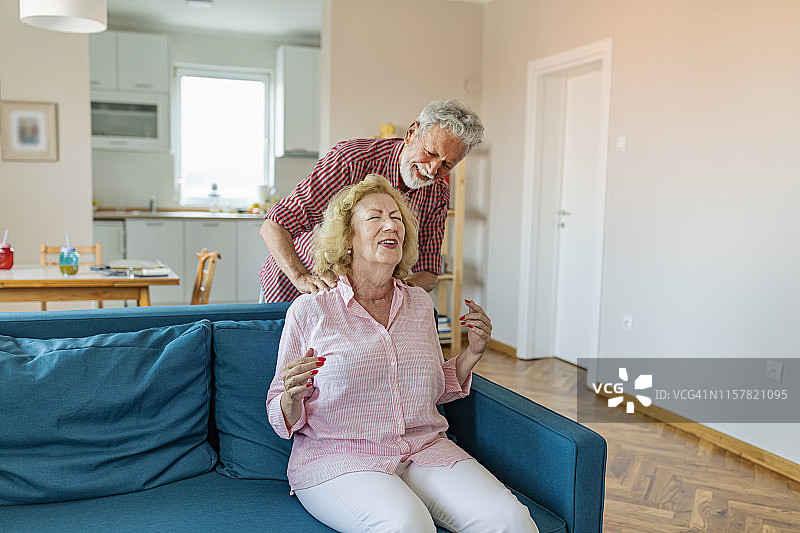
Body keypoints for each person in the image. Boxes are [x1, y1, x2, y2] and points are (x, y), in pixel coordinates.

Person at [266, 175, 538, 533]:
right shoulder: (311, 311)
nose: (390, 224)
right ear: (348, 239)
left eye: (396, 217)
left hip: (423, 449)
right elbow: (277, 407)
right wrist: (292, 396)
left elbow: (433, 388)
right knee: (406, 525)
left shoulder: (419, 304)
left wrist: (472, 353)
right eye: (374, 217)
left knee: (510, 520)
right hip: (341, 457)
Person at [259, 99, 484, 302]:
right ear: (412, 133)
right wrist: (300, 277)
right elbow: (275, 224)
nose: (433, 169)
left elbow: (428, 270)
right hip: (294, 285)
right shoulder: (351, 160)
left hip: (361, 303)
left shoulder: (437, 194)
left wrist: (397, 292)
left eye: (447, 165)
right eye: (431, 152)